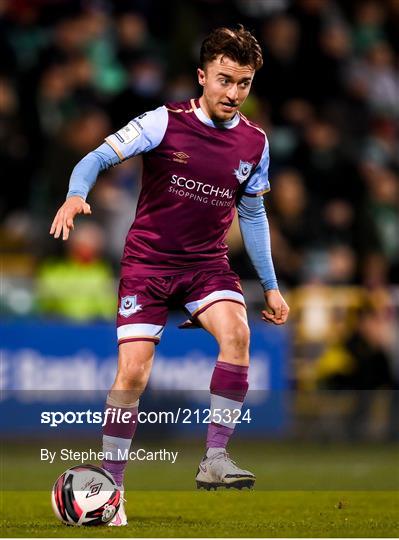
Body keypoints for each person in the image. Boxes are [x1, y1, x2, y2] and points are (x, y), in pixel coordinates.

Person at [50, 25, 289, 526]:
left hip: (206, 266)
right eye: (224, 80)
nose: (233, 93)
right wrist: (77, 193)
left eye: (243, 83)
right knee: (133, 374)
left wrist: (269, 285)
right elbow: (96, 156)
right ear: (202, 77)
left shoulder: (254, 143)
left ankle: (215, 459)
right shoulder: (163, 122)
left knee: (238, 334)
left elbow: (251, 216)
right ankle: (112, 488)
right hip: (149, 265)